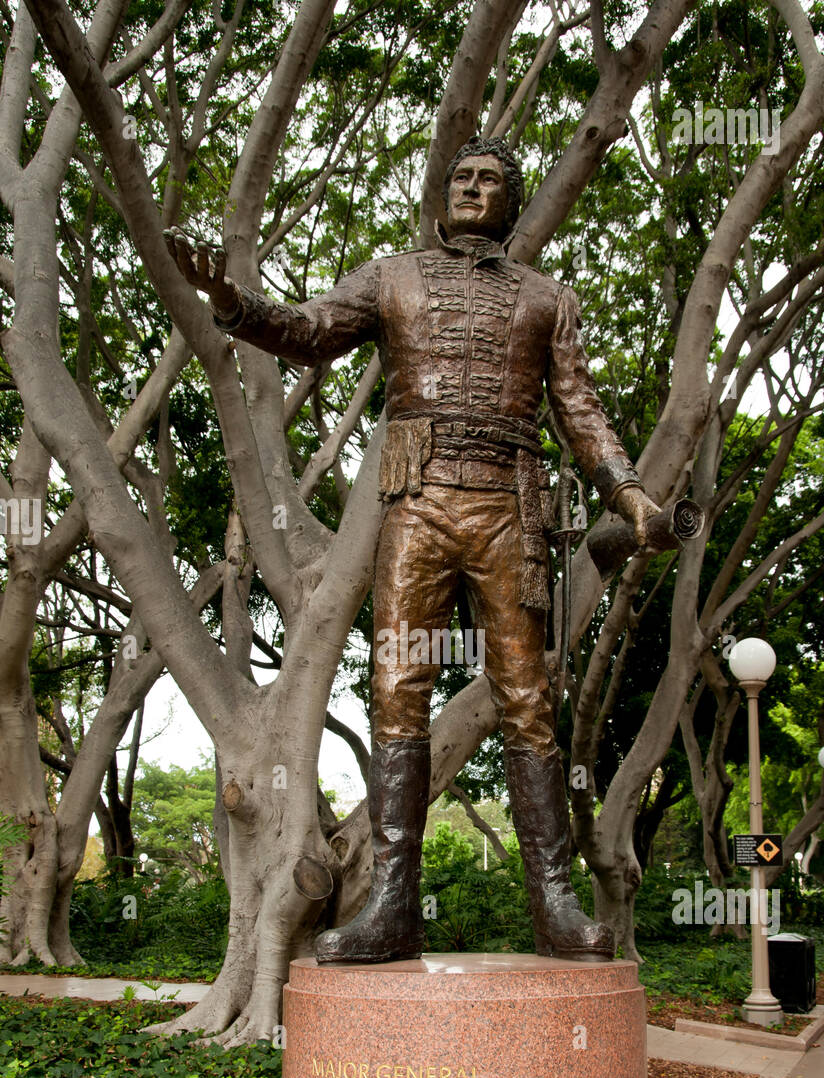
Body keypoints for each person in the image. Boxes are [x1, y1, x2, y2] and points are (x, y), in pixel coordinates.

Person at [164, 135, 660, 965]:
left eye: (490, 179)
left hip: (509, 502)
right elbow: (312, 329)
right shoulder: (391, 276)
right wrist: (232, 299)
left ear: (511, 201)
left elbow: (580, 409)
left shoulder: (548, 298)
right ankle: (393, 904)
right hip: (418, 501)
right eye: (461, 177)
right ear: (442, 195)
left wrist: (629, 494)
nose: (472, 188)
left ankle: (554, 905)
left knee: (527, 698)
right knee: (398, 687)